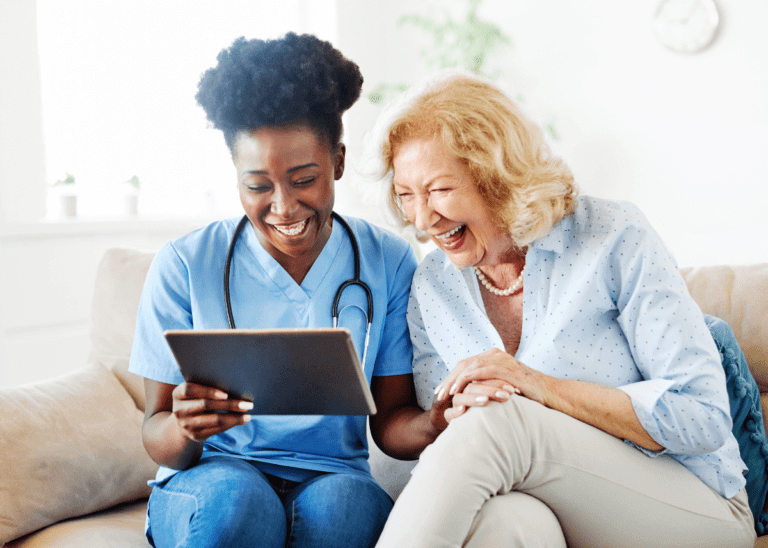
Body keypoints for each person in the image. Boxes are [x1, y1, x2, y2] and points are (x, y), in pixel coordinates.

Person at [364, 71, 757, 548]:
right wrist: (443, 419)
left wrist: (537, 387)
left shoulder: (612, 235)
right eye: (407, 195)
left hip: (694, 504)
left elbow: (701, 416)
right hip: (549, 503)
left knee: (499, 417)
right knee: (507, 525)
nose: (423, 219)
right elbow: (449, 444)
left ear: (496, 175)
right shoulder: (434, 285)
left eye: (439, 190)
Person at [128, 33, 417, 548]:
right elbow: (158, 434)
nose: (283, 207)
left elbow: (392, 423)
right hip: (214, 474)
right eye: (258, 186)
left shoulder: (387, 260)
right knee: (240, 504)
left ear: (339, 163)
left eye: (304, 179)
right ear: (236, 177)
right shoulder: (185, 263)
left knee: (346, 510)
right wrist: (186, 429)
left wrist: (440, 421)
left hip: (333, 476)